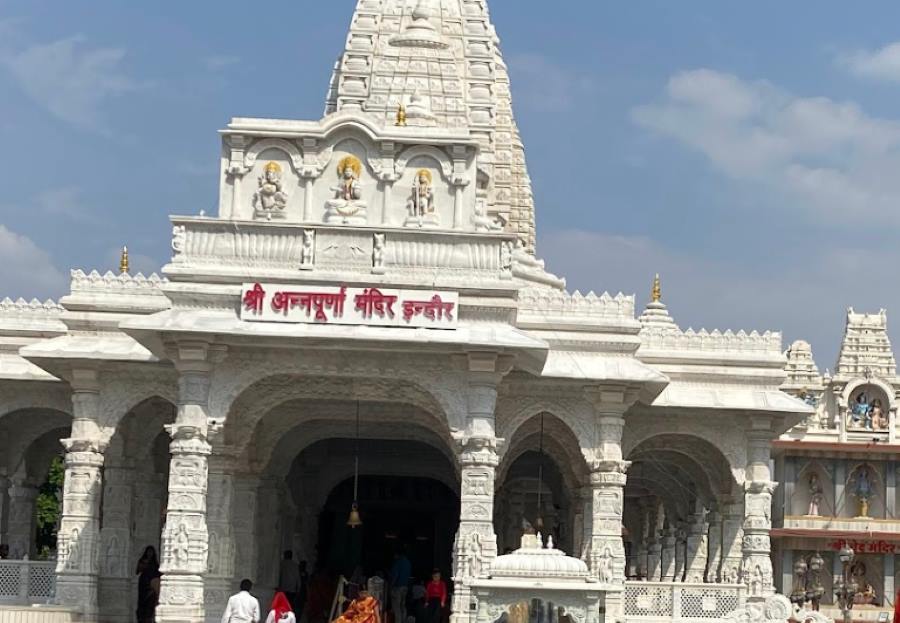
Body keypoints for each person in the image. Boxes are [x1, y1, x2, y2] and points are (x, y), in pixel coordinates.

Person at [135, 546, 162, 623]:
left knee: (151, 602)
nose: (150, 553)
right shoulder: (142, 561)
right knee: (142, 602)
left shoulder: (155, 563)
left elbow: (158, 573)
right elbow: (137, 571)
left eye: (151, 552)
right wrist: (143, 565)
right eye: (148, 552)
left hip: (152, 585)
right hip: (144, 584)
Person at [390, 550, 412, 623]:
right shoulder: (408, 563)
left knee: (397, 607)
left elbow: (395, 575)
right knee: (402, 606)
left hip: (397, 587)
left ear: (397, 555)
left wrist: (391, 585)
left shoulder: (398, 562)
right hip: (405, 587)